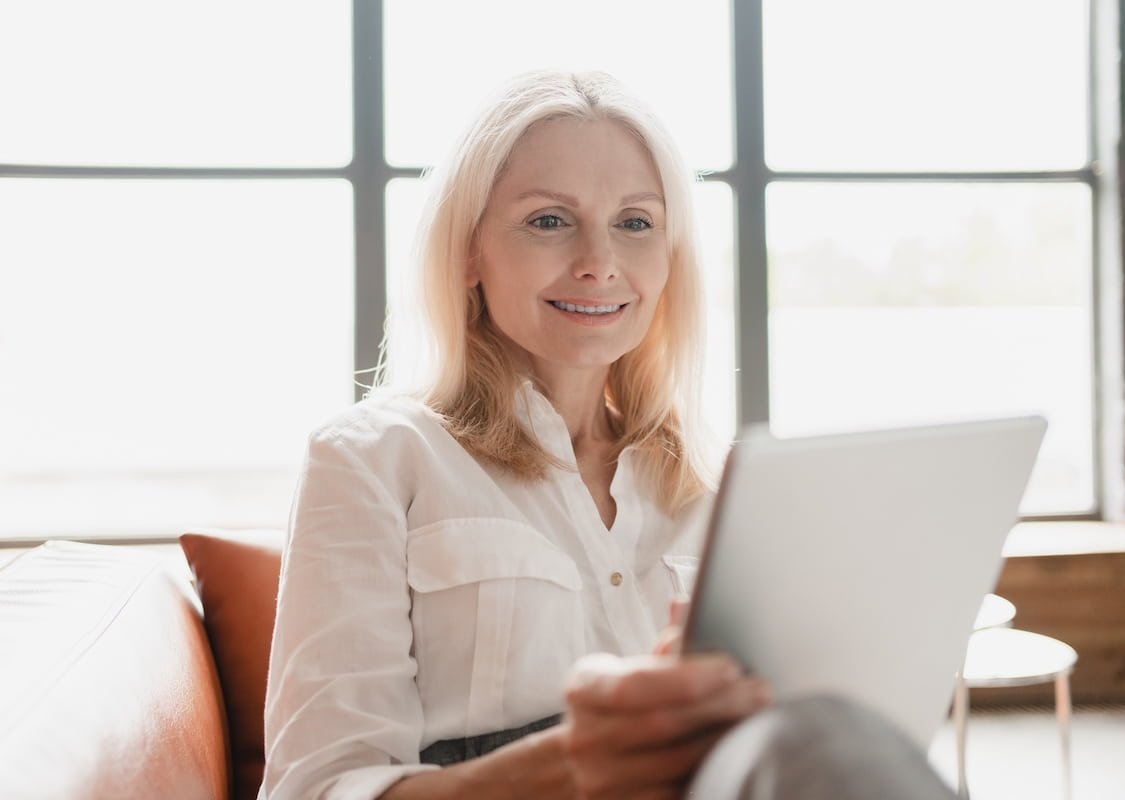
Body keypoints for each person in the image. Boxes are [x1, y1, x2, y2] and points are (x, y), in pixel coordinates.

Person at [260, 70, 956, 800]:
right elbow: (317, 789)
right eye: (549, 221)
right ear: (469, 252)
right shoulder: (372, 458)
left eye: (635, 223)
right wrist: (567, 766)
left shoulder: (716, 487)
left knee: (829, 736)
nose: (599, 263)